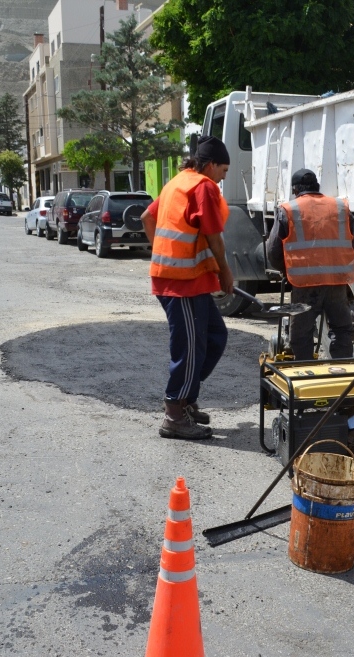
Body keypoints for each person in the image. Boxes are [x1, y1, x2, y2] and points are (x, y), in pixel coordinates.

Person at [141, 136, 235, 440]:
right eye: (223, 170)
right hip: (180, 283)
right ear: (210, 165)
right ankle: (174, 415)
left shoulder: (177, 182)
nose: (223, 177)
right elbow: (214, 238)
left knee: (214, 336)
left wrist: (160, 251)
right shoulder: (202, 186)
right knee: (189, 347)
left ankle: (186, 398)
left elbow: (147, 218)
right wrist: (226, 274)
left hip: (185, 280)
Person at [264, 168, 354, 360]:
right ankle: (342, 370)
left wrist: (287, 269)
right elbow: (353, 245)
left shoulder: (289, 210)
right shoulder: (340, 207)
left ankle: (306, 372)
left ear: (296, 190)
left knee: (300, 334)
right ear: (317, 187)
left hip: (304, 283)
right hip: (337, 282)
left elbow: (273, 251)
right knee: (342, 329)